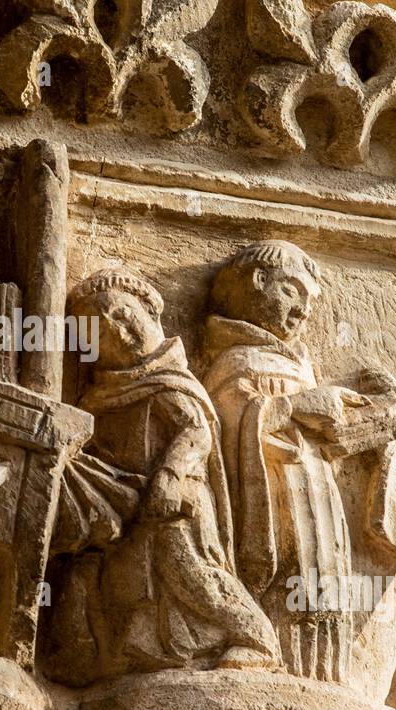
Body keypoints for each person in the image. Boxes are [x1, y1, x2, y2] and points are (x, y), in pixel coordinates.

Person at [46, 267, 282, 685]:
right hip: (124, 504)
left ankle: (258, 638)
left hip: (177, 501)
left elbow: (195, 432)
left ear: (152, 313)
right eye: (99, 331)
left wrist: (170, 475)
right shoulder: (99, 396)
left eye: (122, 315)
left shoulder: (171, 382)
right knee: (109, 580)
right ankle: (111, 658)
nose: (117, 331)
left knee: (193, 575)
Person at [202, 240, 381, 682]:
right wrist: (298, 406)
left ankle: (324, 679)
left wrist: (375, 428)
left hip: (317, 492)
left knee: (324, 581)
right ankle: (269, 662)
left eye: (308, 304)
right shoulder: (235, 358)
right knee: (291, 574)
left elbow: (325, 431)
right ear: (259, 281)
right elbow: (228, 424)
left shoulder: (298, 362)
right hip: (273, 496)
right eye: (291, 293)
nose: (301, 312)